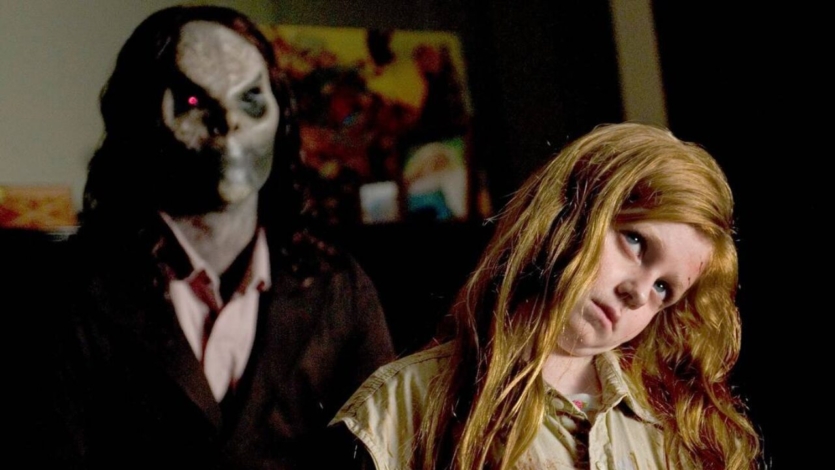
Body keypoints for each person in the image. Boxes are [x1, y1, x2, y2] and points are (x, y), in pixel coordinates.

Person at [41, 5, 394, 468]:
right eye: (193, 101)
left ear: (280, 112)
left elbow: (383, 449)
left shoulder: (338, 289)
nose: (229, 123)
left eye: (250, 99)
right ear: (139, 116)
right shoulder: (69, 292)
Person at [332, 123, 761, 469]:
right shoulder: (403, 404)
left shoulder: (676, 434)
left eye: (663, 288)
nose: (637, 293)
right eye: (635, 241)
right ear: (570, 213)